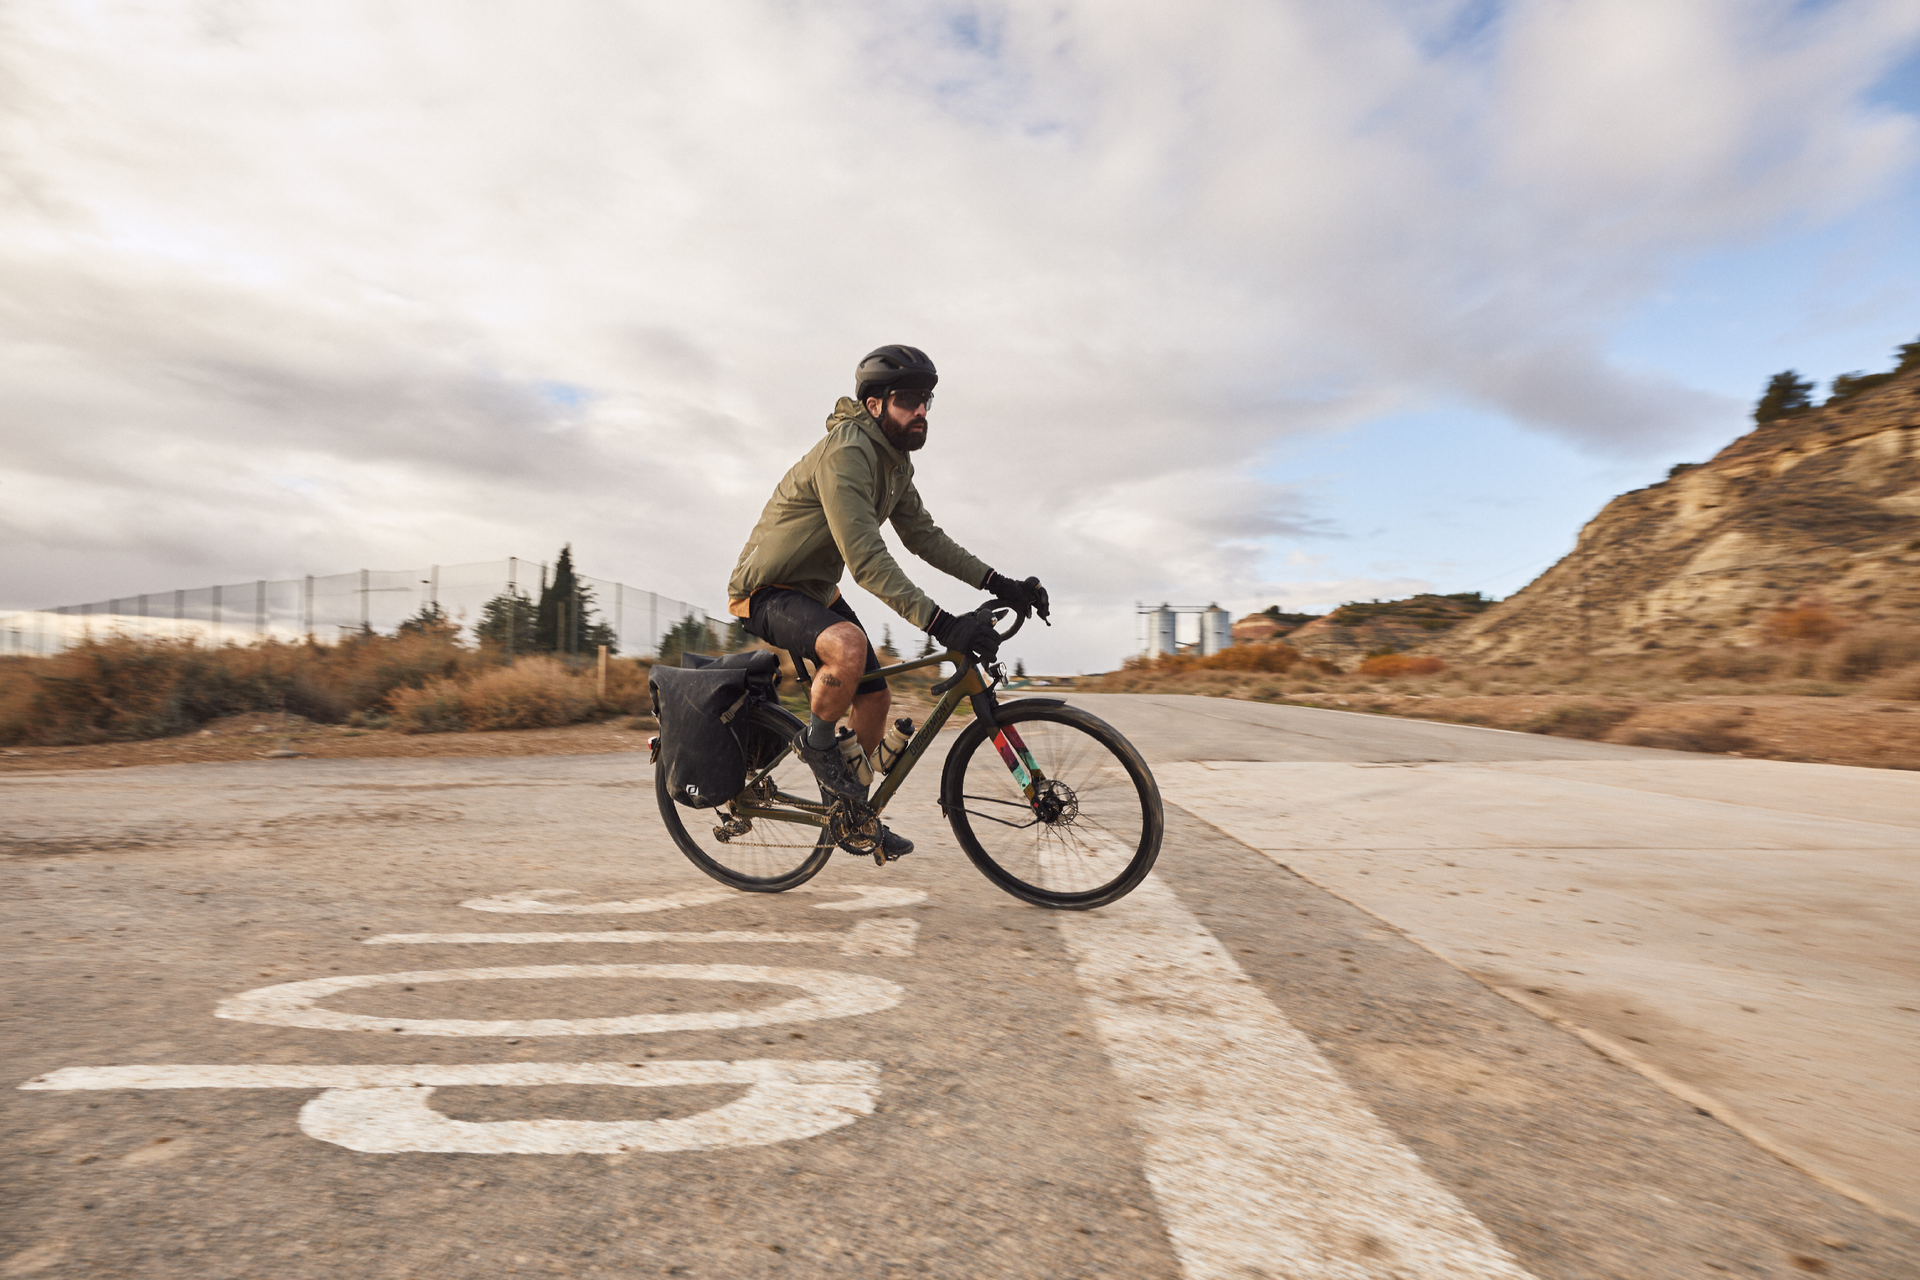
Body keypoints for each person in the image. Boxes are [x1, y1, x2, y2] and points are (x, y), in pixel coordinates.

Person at [726, 344, 1048, 858]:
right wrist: (942, 624)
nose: (921, 410)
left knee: (875, 698)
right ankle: (817, 742)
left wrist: (999, 583)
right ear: (875, 405)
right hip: (766, 589)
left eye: (926, 400)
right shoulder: (847, 452)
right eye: (908, 400)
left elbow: (924, 537)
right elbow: (867, 560)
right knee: (849, 648)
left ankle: (854, 816)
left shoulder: (894, 462)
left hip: (815, 591)